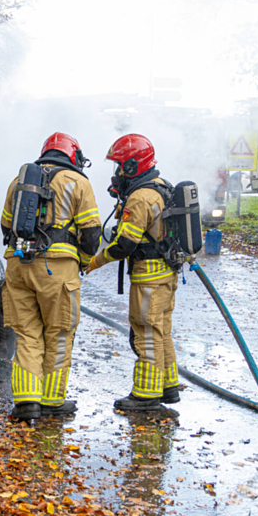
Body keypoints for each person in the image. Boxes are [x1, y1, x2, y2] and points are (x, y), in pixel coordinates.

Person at [0, 133, 102, 420]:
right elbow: (92, 234)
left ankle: (26, 401)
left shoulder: (19, 182)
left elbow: (6, 227)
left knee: (26, 334)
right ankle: (51, 401)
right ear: (74, 156)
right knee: (58, 334)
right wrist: (81, 261)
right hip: (57, 269)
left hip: (18, 266)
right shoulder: (78, 182)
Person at [86, 133, 180, 411]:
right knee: (161, 331)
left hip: (149, 277)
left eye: (120, 166)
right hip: (166, 274)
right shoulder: (162, 187)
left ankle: (146, 395)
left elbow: (125, 244)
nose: (116, 173)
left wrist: (94, 261)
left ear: (132, 166)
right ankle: (168, 386)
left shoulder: (140, 197)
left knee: (146, 332)